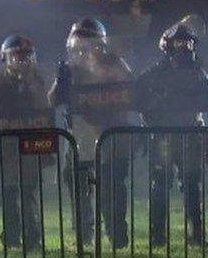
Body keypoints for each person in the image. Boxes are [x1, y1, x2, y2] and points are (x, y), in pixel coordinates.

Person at [49, 17, 136, 248]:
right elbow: (53, 101)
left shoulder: (115, 64)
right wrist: (60, 81)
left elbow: (131, 93)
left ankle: (116, 232)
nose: (85, 51)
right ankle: (83, 234)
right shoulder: (70, 69)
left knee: (113, 184)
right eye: (80, 45)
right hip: (78, 134)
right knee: (76, 183)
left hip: (111, 131)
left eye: (90, 44)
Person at [134, 20, 208, 247]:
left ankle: (196, 235)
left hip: (190, 136)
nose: (185, 47)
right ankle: (158, 235)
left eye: (188, 42)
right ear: (168, 45)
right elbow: (138, 100)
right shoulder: (154, 74)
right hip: (163, 137)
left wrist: (183, 98)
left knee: (192, 185)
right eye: (180, 42)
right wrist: (159, 105)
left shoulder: (199, 73)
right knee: (160, 184)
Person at [0, 35, 52, 250]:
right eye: (16, 56)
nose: (21, 61)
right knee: (3, 191)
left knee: (27, 192)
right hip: (4, 147)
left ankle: (32, 238)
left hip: (30, 147)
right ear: (5, 58)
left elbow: (47, 111)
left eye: (25, 56)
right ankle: (12, 234)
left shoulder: (39, 82)